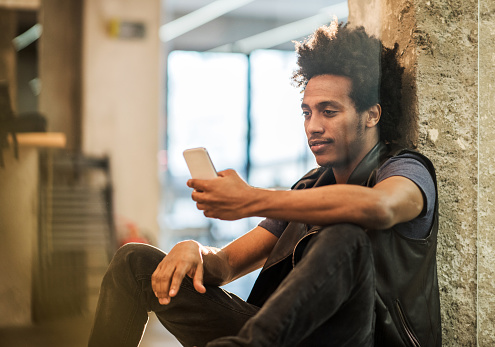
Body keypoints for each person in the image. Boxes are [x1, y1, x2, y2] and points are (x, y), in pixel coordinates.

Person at [88, 22, 441, 347]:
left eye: (328, 111)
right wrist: (196, 252)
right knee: (134, 261)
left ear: (372, 114)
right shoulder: (307, 190)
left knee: (346, 237)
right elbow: (227, 264)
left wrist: (253, 199)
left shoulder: (406, 169)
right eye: (307, 112)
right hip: (283, 336)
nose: (313, 126)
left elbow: (379, 207)